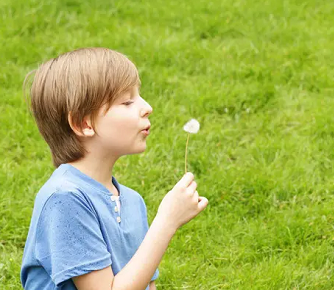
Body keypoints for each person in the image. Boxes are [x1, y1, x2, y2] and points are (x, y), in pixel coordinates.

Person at [20, 47, 208, 290]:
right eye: (127, 101)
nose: (147, 107)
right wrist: (167, 221)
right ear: (83, 123)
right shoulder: (65, 198)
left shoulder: (132, 201)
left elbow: (144, 283)